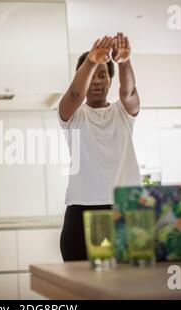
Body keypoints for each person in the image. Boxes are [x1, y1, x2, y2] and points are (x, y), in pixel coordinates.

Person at [58, 33, 142, 261]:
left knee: (125, 288)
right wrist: (92, 61)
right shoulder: (73, 114)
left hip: (124, 208)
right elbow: (76, 93)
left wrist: (123, 61)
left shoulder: (123, 113)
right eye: (92, 75)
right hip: (82, 211)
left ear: (110, 80)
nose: (96, 81)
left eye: (102, 75)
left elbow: (130, 93)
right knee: (83, 290)